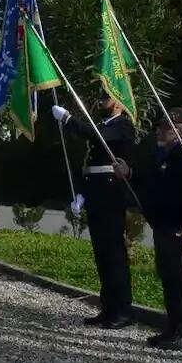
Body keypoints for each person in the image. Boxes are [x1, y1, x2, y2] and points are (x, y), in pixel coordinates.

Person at [53, 93, 136, 329]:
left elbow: (97, 137)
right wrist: (81, 193)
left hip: (112, 196)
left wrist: (68, 119)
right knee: (102, 256)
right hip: (97, 195)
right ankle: (108, 308)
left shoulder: (124, 126)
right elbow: (88, 164)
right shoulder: (103, 125)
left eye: (106, 97)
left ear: (119, 101)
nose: (101, 100)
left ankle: (122, 310)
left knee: (114, 256)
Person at [139, 109, 182, 349]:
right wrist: (129, 173)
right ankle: (174, 328)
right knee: (170, 279)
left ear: (180, 129)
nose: (158, 130)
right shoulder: (164, 153)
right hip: (164, 225)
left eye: (164, 126)